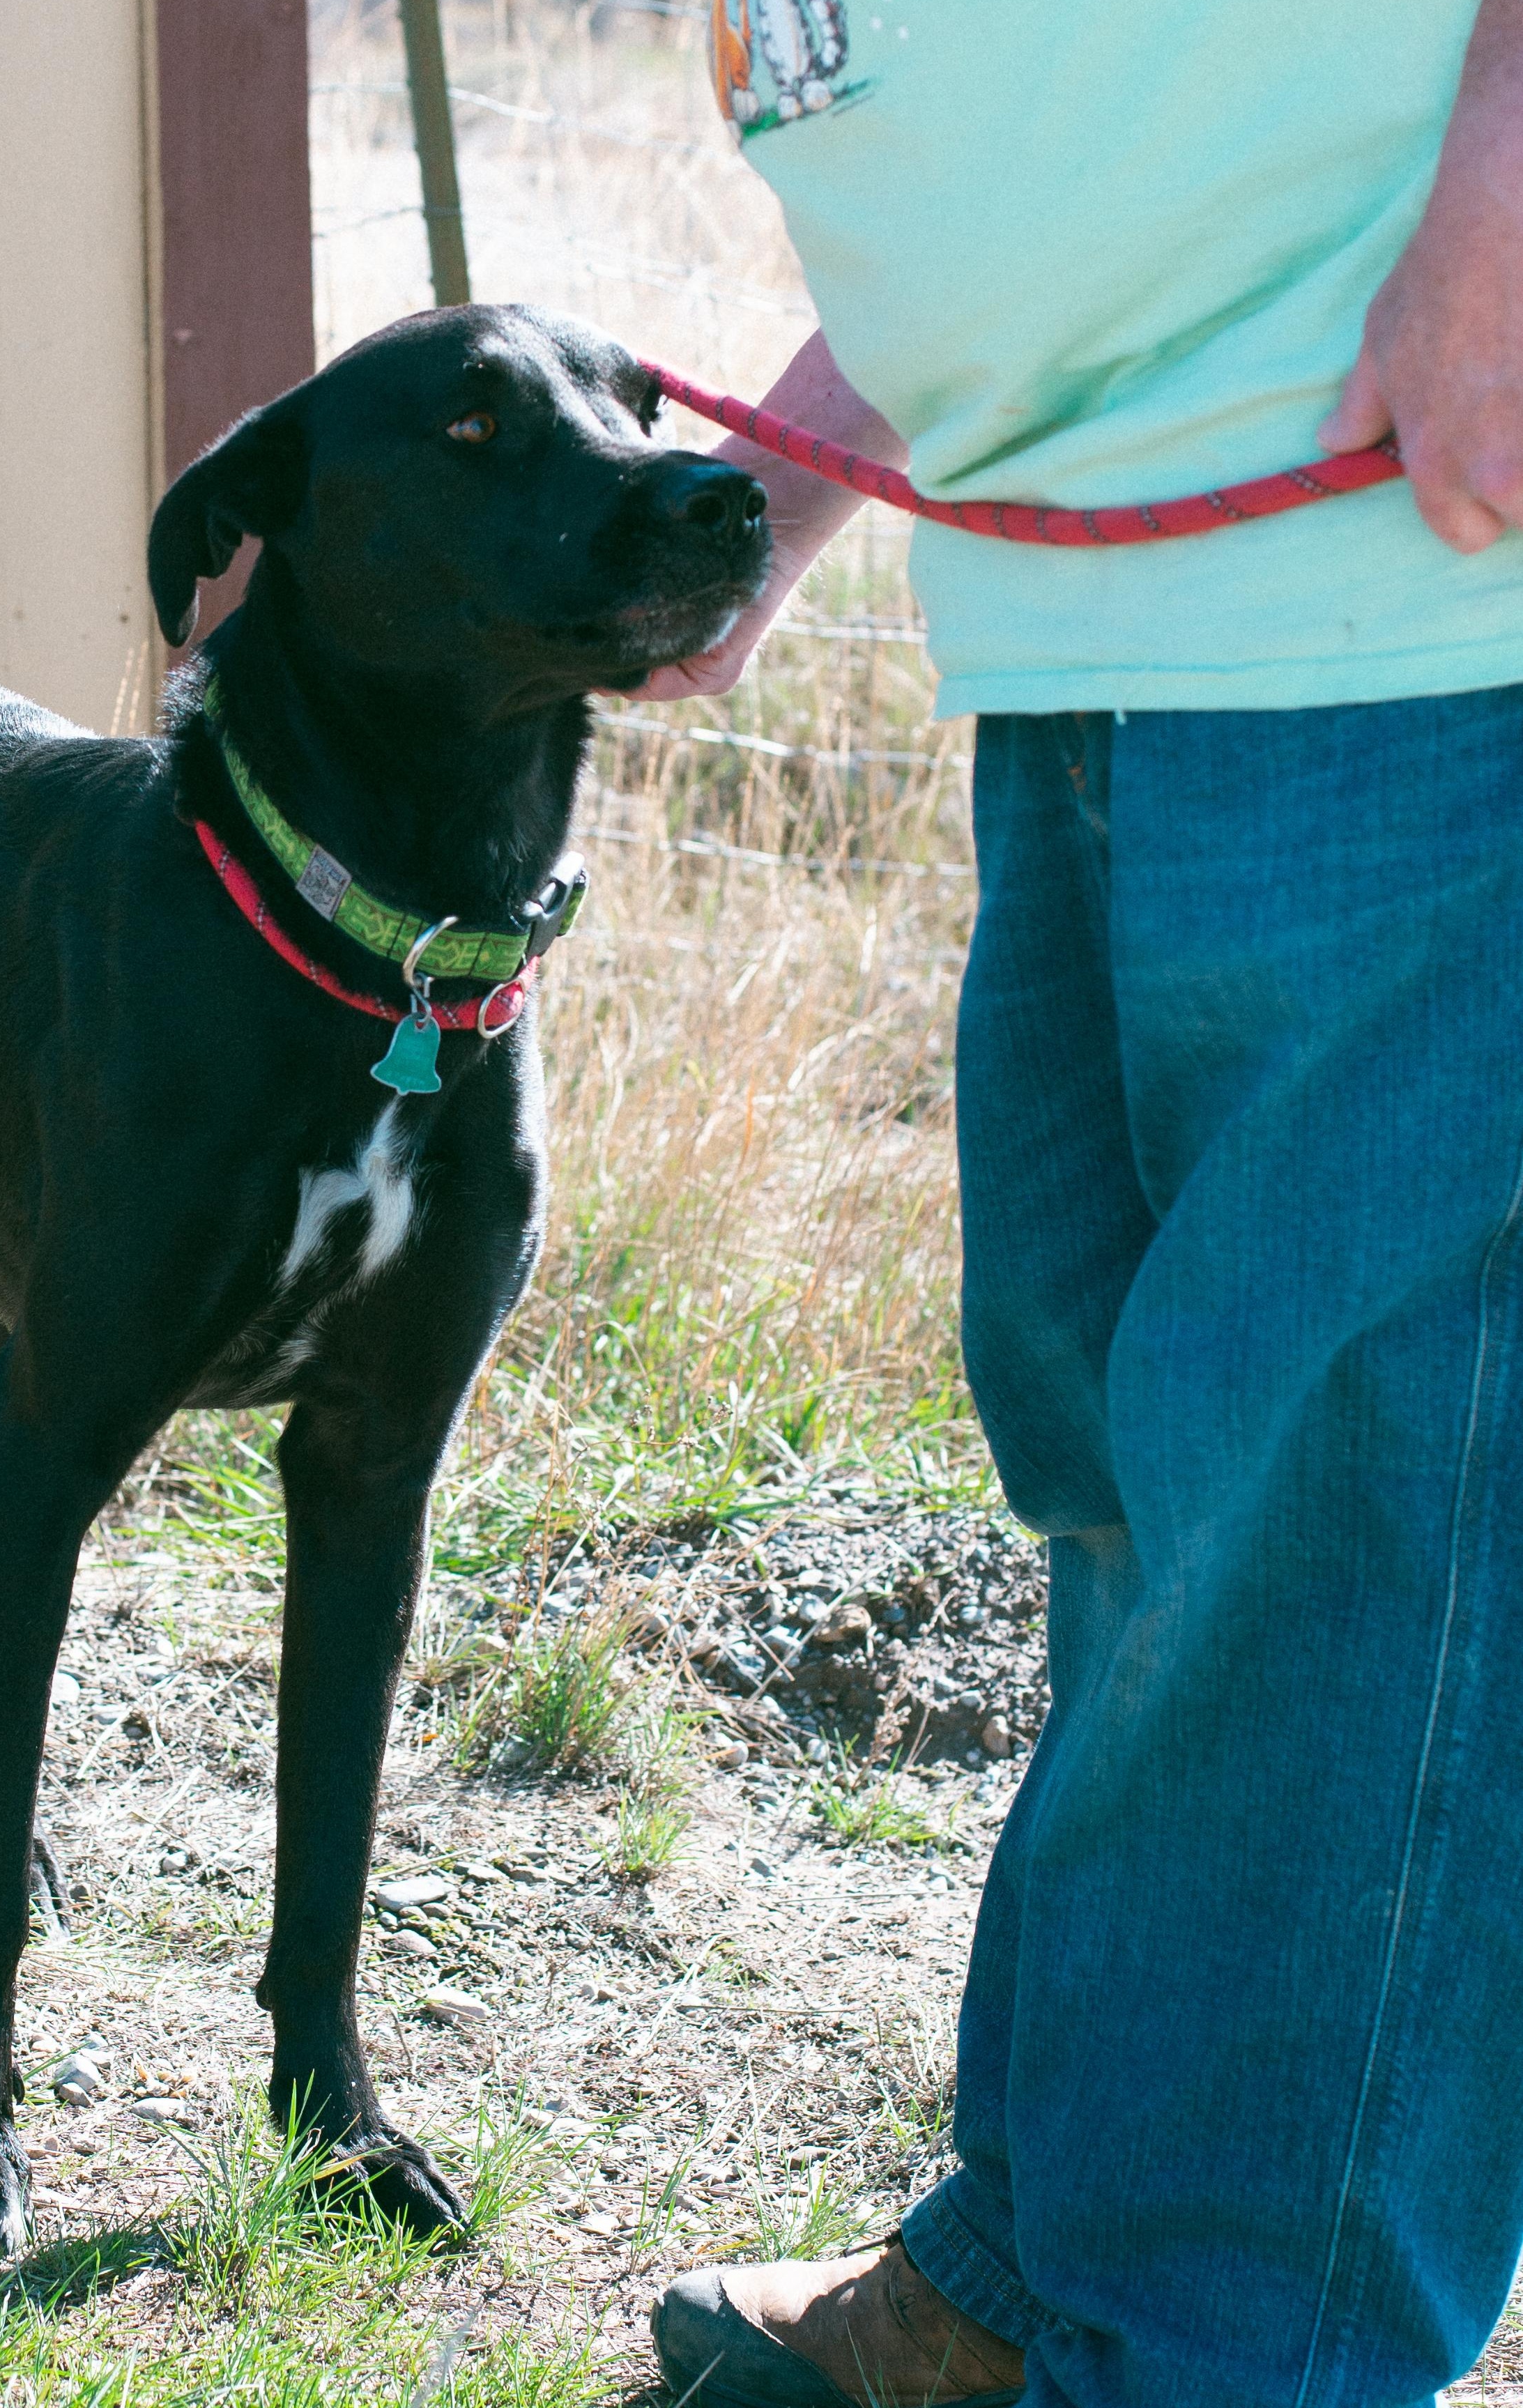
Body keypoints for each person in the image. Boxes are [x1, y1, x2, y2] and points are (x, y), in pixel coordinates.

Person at [640, 6, 1523, 2404]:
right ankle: (1058, 2269)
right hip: (1086, 625)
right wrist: (785, 482)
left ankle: (1237, 2357)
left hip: (1412, 611)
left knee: (1343, 1526)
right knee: (1142, 1490)